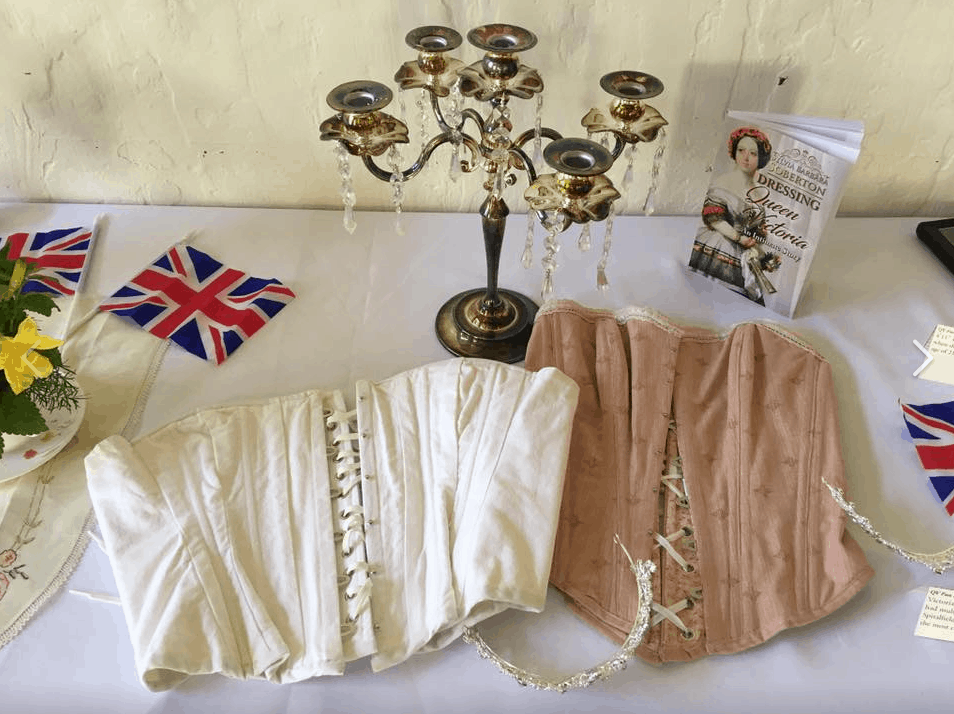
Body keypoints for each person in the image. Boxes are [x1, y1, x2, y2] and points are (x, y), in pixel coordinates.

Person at [689, 126, 779, 303]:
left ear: (761, 158)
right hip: (720, 244)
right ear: (734, 152)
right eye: (741, 150)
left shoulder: (759, 193)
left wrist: (762, 256)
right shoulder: (723, 182)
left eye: (753, 153)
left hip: (743, 253)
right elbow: (714, 219)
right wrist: (739, 239)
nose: (745, 157)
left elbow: (757, 233)